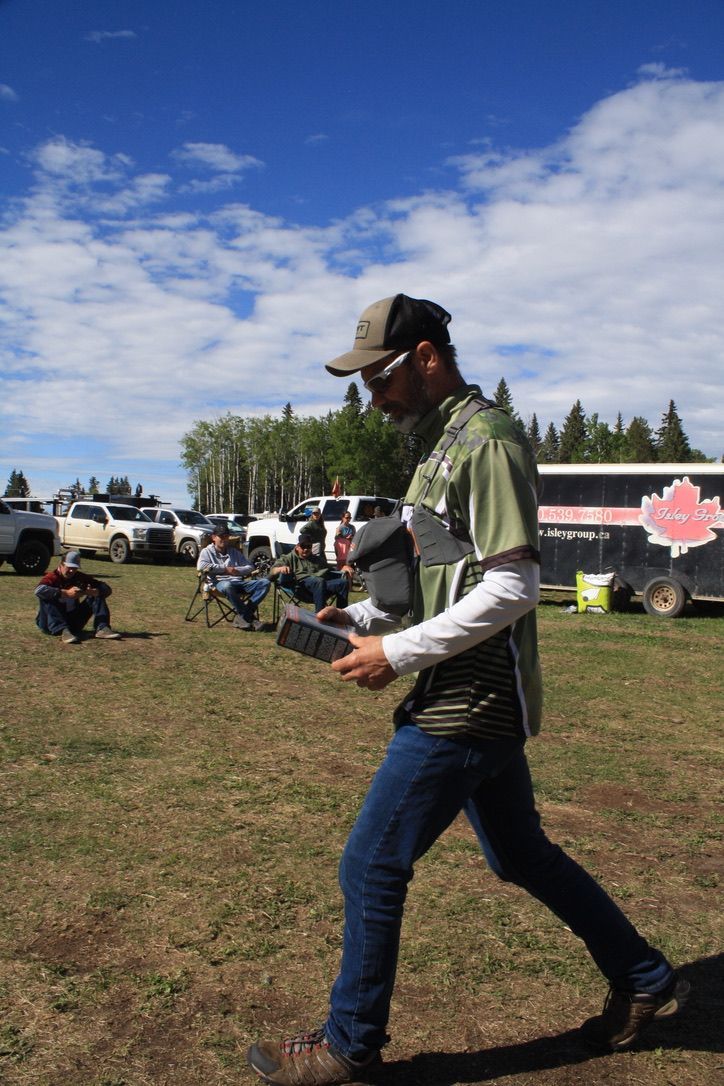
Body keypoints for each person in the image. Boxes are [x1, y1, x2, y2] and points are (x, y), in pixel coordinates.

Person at [247, 294, 688, 1085]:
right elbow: (441, 588)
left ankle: (349, 1044)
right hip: (463, 695)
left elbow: (515, 586)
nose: (374, 399)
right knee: (521, 855)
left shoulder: (488, 442)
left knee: (370, 865)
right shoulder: (439, 448)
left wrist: (397, 654)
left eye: (380, 379)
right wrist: (358, 617)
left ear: (425, 358)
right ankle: (645, 977)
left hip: (467, 703)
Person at [35, 550, 121, 643]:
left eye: (75, 568)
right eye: (69, 567)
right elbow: (39, 590)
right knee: (47, 595)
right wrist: (66, 593)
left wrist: (93, 592)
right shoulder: (52, 577)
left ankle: (102, 628)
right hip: (49, 623)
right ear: (61, 564)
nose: (72, 571)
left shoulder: (79, 577)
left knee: (97, 594)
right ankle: (62, 631)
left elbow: (106, 589)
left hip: (73, 622)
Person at [197, 524, 270, 631]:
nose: (224, 539)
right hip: (219, 583)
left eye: (226, 536)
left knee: (265, 583)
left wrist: (237, 571)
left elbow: (250, 567)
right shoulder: (206, 552)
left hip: (238, 582)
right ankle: (250, 618)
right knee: (227, 585)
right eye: (221, 536)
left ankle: (243, 616)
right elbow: (201, 566)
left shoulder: (234, 552)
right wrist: (225, 569)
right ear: (214, 537)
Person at [270, 533, 351, 612]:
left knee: (343, 583)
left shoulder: (317, 559)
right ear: (297, 547)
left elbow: (330, 570)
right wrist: (280, 568)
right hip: (300, 588)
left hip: (321, 587)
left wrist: (342, 568)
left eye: (308, 546)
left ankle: (341, 615)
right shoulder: (288, 558)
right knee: (318, 581)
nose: (306, 549)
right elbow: (273, 570)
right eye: (303, 546)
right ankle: (320, 615)